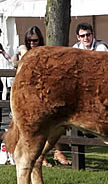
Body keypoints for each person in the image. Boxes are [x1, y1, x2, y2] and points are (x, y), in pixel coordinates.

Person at [13, 26, 71, 167]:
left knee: (56, 125)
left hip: (44, 92)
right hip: (26, 93)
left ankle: (55, 153)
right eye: (29, 41)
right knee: (32, 128)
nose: (32, 43)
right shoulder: (25, 51)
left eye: (35, 40)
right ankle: (37, 157)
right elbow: (15, 62)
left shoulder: (45, 53)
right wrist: (21, 52)